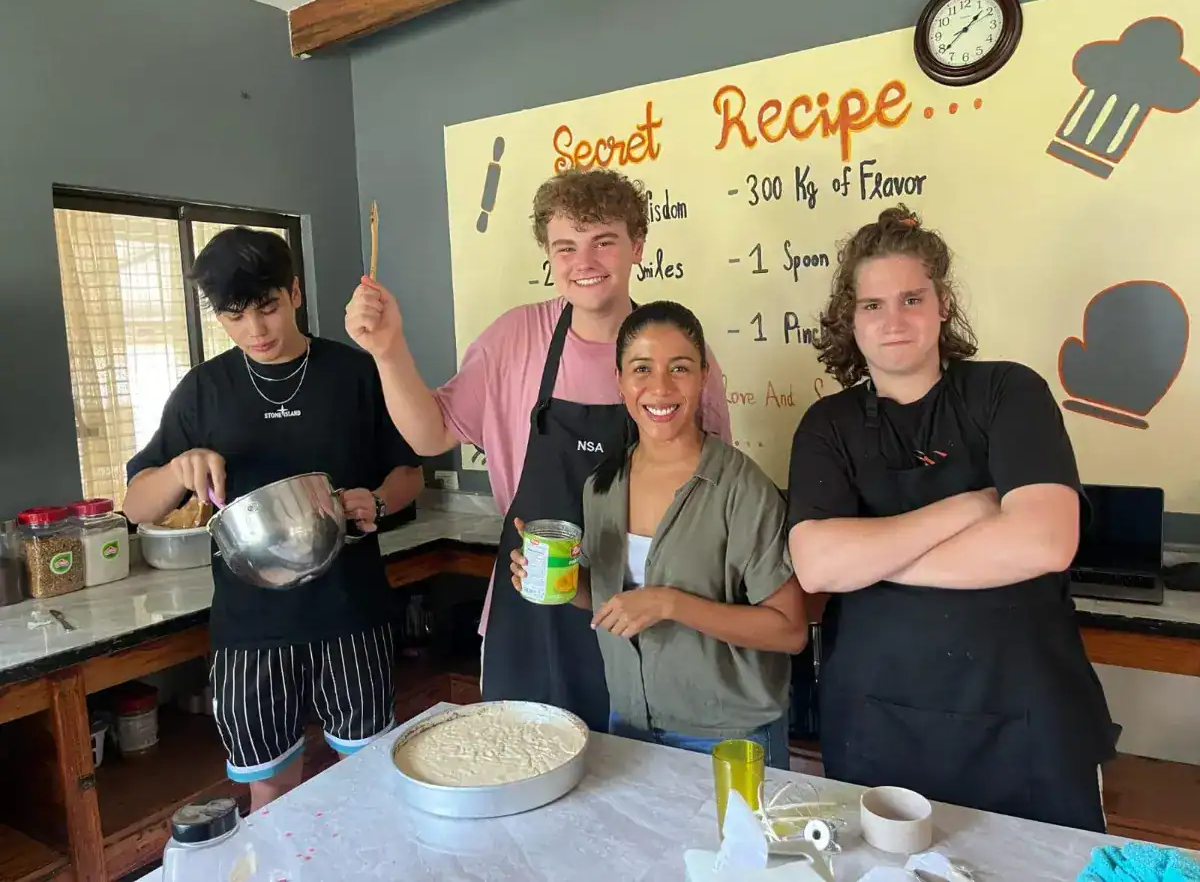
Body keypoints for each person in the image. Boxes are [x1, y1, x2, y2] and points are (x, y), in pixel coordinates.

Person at [345, 169, 732, 733]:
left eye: (604, 241)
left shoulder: (677, 353)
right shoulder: (514, 340)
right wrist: (387, 349)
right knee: (525, 773)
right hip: (532, 598)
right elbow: (430, 436)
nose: (585, 260)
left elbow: (715, 482)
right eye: (566, 246)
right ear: (550, 256)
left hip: (643, 608)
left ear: (637, 247)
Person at [785, 204, 1116, 832]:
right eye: (872, 305)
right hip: (877, 726)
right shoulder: (828, 426)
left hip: (1027, 720)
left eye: (912, 298)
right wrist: (971, 506)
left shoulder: (1008, 392)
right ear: (848, 321)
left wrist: (874, 560)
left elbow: (1044, 542)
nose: (894, 321)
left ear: (943, 306)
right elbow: (818, 564)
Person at [124, 228, 424, 810]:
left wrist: (379, 500)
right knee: (271, 785)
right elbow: (135, 505)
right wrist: (179, 469)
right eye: (235, 316)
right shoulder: (202, 392)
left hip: (350, 612)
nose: (256, 331)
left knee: (367, 774)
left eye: (267, 308)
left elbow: (409, 473)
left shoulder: (356, 374)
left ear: (295, 293)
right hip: (250, 628)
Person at [508, 301, 806, 768]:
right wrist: (556, 578)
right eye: (642, 369)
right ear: (620, 380)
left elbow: (789, 631)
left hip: (727, 737)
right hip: (628, 724)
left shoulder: (741, 489)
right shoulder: (603, 486)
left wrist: (670, 603)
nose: (660, 388)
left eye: (680, 368)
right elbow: (608, 599)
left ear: (703, 376)